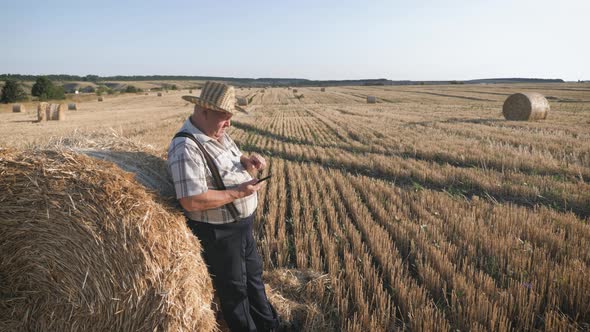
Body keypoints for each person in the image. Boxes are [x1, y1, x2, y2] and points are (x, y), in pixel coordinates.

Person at [167, 81, 279, 331]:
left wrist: (247, 160)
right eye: (225, 117)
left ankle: (270, 326)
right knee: (235, 292)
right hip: (220, 234)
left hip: (241, 227)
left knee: (254, 279)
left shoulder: (218, 135)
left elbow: (230, 157)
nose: (229, 123)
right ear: (204, 111)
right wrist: (239, 192)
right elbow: (191, 200)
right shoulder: (186, 147)